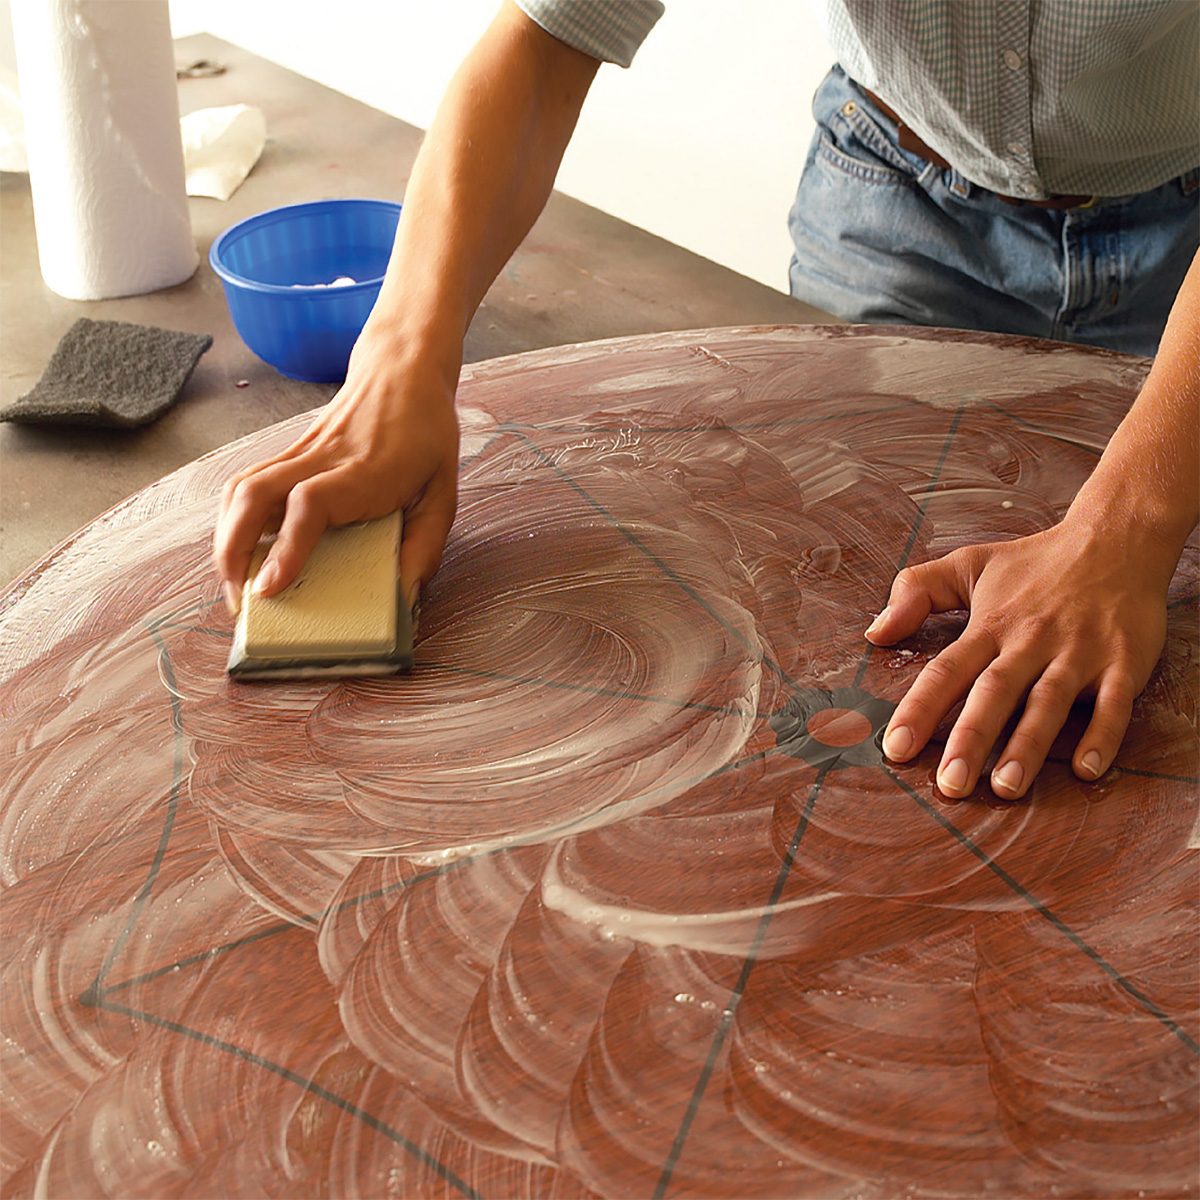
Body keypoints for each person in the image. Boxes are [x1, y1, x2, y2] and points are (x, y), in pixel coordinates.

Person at [213, 0, 1199, 803]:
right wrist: (399, 367)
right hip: (902, 196)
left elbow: (1134, 536)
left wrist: (1131, 525)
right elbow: (549, 33)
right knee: (856, 600)